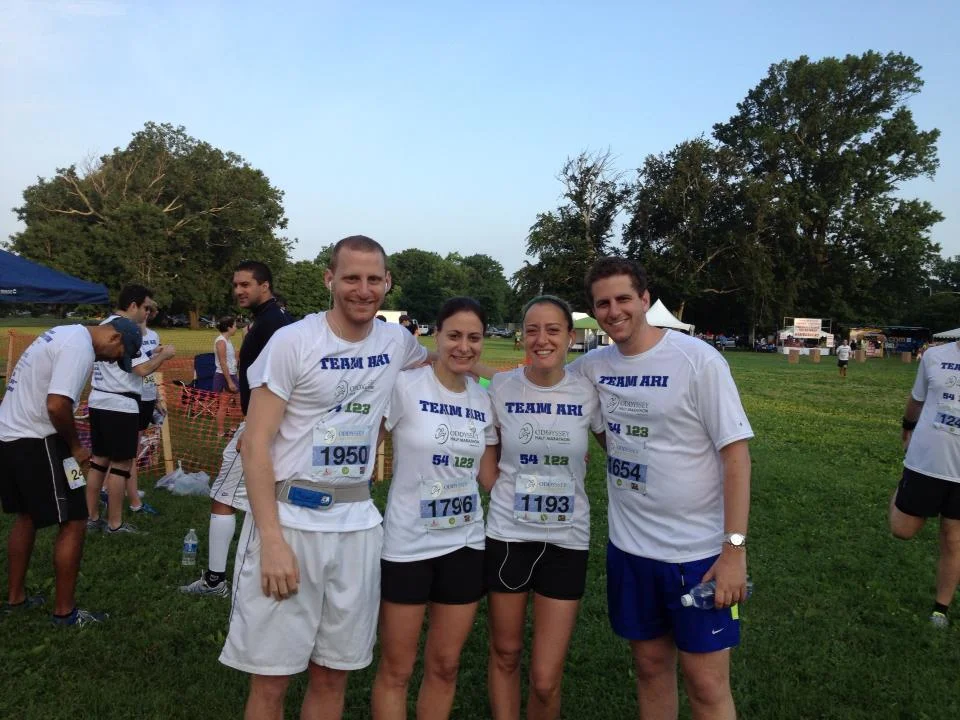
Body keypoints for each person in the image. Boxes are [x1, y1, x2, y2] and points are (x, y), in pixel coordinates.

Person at [219, 236, 428, 719]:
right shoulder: (294, 341)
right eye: (352, 277)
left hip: (357, 528)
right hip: (290, 524)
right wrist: (271, 540)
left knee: (332, 676)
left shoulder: (396, 342)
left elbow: (442, 367)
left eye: (374, 279)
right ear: (329, 279)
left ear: (388, 283)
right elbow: (255, 445)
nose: (363, 289)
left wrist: (511, 384)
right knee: (271, 682)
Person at [570, 257, 753, 720]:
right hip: (629, 549)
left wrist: (734, 551)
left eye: (623, 299)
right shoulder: (593, 366)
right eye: (603, 303)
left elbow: (736, 457)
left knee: (707, 686)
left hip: (698, 554)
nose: (613, 312)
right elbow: (545, 386)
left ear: (645, 300)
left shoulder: (698, 360)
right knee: (650, 668)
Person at [372, 297, 498, 720]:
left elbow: (489, 478)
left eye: (474, 338)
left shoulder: (483, 402)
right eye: (455, 336)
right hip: (407, 545)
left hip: (465, 543)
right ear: (436, 336)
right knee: (397, 668)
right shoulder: (405, 387)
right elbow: (364, 445)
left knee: (445, 667)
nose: (464, 346)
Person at [484, 295, 603, 720]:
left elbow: (617, 448)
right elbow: (488, 449)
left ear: (571, 337)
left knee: (546, 677)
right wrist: (500, 491)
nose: (542, 339)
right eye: (532, 330)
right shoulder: (501, 387)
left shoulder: (588, 391)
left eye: (553, 329)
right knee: (506, 653)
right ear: (522, 338)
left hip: (567, 541)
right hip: (508, 536)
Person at [0, 318, 142, 625]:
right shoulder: (79, 347)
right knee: (76, 518)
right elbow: (56, 405)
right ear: (114, 337)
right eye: (117, 354)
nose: (111, 360)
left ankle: (16, 598)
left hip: (10, 435)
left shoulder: (62, 333)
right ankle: (65, 612)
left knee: (27, 515)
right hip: (41, 440)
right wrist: (77, 448)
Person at [180, 261, 292, 598]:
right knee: (269, 502)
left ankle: (216, 581)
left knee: (222, 497)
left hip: (261, 425)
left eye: (246, 284)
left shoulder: (272, 324)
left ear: (265, 286)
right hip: (273, 424)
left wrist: (255, 429)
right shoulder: (273, 320)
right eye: (236, 285)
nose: (239, 291)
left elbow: (282, 380)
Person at [85, 285, 176, 535]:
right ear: (133, 305)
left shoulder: (105, 324)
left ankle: (91, 518)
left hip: (99, 399)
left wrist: (149, 352)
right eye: (146, 307)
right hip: (120, 403)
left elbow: (124, 361)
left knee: (98, 463)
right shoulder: (126, 329)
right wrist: (164, 355)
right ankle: (115, 524)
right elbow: (141, 370)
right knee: (121, 466)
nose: (147, 313)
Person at [890, 339, 960, 628]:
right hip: (925, 463)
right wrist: (907, 426)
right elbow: (917, 399)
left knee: (953, 537)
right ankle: (902, 484)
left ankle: (940, 608)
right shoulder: (934, 355)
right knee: (902, 530)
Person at [125, 299, 163, 516]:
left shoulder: (153, 336)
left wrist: (156, 395)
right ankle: (132, 498)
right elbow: (136, 366)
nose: (147, 313)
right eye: (144, 308)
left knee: (134, 447)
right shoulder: (129, 334)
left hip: (148, 394)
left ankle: (124, 487)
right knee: (128, 449)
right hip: (131, 394)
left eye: (151, 310)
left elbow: (153, 367)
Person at [214, 316, 240, 438]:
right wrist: (229, 381)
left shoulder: (228, 341)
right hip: (224, 376)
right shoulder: (221, 341)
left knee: (239, 404)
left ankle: (233, 428)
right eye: (234, 325)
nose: (236, 328)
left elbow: (231, 360)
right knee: (224, 405)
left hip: (232, 375)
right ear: (229, 327)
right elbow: (223, 362)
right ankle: (220, 432)